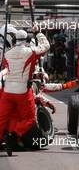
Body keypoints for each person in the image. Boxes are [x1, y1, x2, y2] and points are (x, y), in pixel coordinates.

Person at [0, 26, 50, 156]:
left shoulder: (6, 54)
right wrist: (38, 32)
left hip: (7, 91)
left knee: (1, 119)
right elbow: (46, 46)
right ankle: (13, 135)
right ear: (26, 40)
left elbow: (5, 69)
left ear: (14, 39)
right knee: (29, 119)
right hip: (22, 91)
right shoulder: (31, 51)